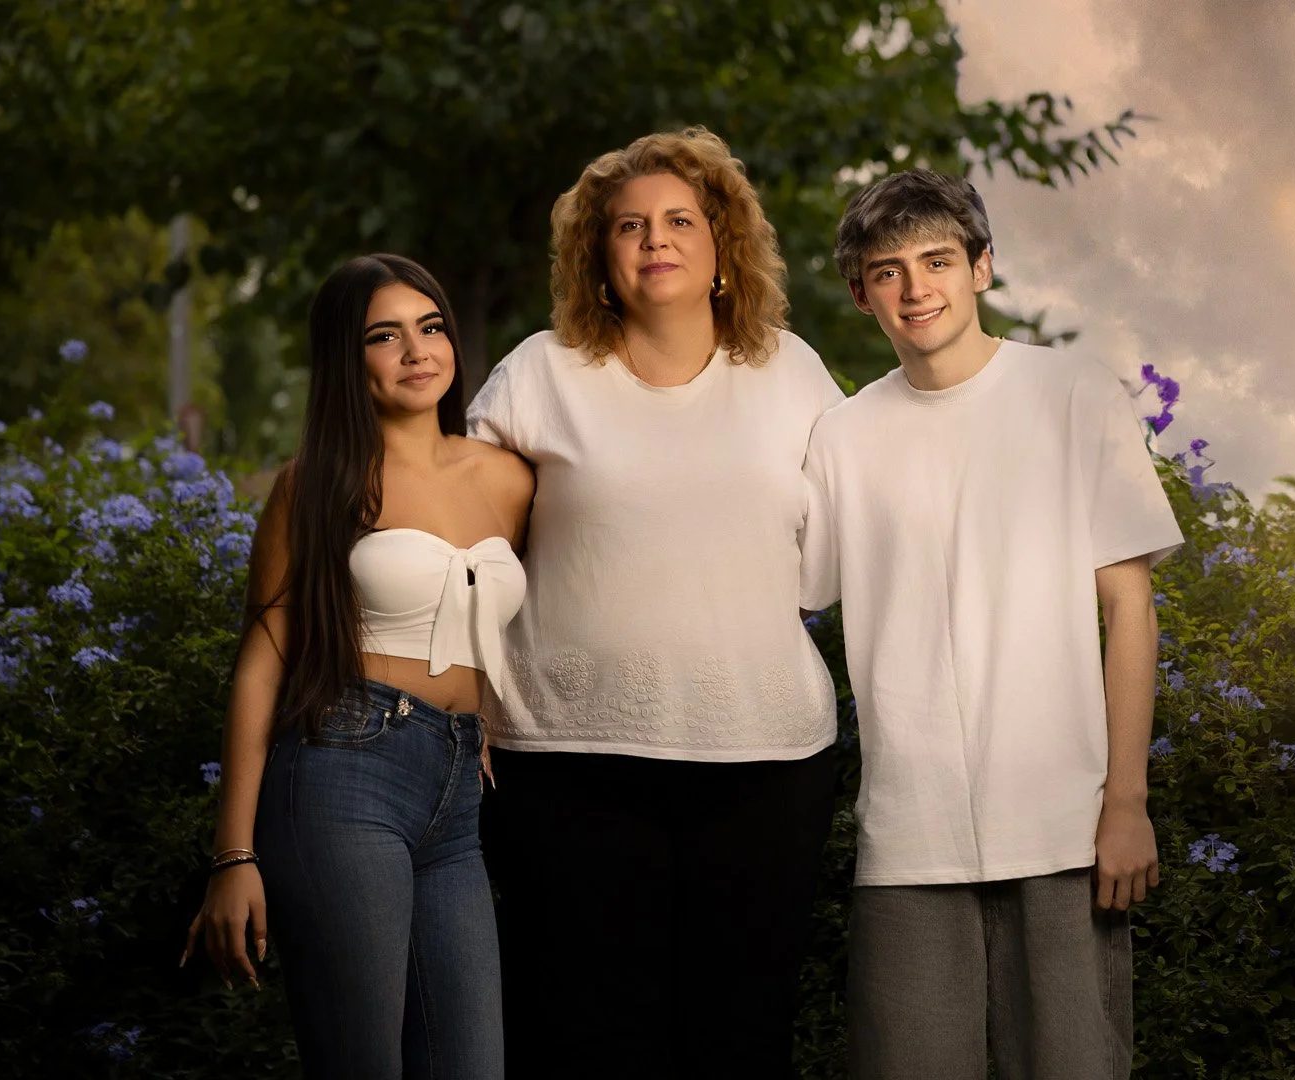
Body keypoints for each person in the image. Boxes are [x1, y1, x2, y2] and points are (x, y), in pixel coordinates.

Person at [466, 126, 844, 1079]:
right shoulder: (539, 375)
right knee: (586, 1041)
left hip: (764, 763)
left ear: (724, 246)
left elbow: (850, 549)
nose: (654, 240)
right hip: (565, 763)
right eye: (628, 226)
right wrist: (458, 689)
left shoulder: (792, 375)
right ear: (598, 255)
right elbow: (459, 553)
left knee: (740, 1040)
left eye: (680, 219)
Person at [800, 169, 1185, 1080]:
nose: (915, 288)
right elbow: (792, 594)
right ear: (861, 294)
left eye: (937, 260)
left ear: (981, 267)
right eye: (887, 271)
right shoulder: (842, 438)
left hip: (1062, 822)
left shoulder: (1073, 394)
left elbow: (1129, 607)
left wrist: (1124, 804)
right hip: (908, 833)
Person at [181, 254, 534, 1079]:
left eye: (431, 326)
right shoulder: (317, 485)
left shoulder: (510, 477)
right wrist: (234, 857)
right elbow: (262, 664)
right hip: (345, 771)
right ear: (348, 358)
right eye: (386, 336)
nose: (418, 351)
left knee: (471, 1064)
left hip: (459, 790)